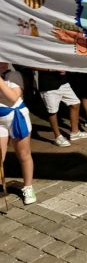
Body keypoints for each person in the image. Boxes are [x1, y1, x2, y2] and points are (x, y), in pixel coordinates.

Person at [0, 63, 36, 204]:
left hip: (16, 118)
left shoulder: (14, 75)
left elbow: (13, 97)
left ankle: (28, 187)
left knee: (23, 155)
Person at [37, 70, 87, 147]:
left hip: (63, 82)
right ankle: (58, 137)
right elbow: (31, 66)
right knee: (52, 111)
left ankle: (75, 132)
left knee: (75, 103)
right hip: (48, 86)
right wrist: (51, 69)